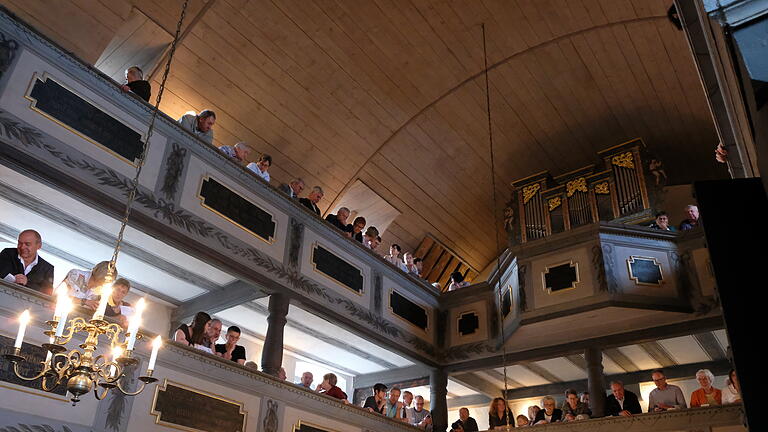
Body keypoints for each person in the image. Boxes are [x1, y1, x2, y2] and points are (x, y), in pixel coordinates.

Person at [0, 229, 54, 294]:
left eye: (27, 244)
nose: (22, 247)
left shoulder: (47, 268)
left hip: (26, 303)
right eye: (20, 243)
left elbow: (47, 293)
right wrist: (13, 279)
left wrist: (27, 283)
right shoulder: (7, 253)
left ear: (39, 246)